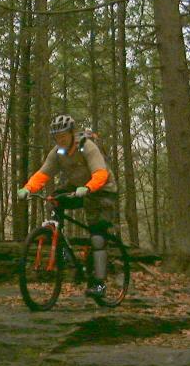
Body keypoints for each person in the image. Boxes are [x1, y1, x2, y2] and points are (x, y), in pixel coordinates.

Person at [17, 114, 118, 298]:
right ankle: (62, 247)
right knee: (55, 199)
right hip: (78, 188)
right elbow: (43, 173)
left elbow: (101, 173)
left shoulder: (87, 146)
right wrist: (27, 188)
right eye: (57, 137)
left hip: (102, 190)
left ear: (72, 133)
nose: (60, 140)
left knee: (97, 236)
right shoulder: (58, 152)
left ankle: (100, 284)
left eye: (63, 136)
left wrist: (88, 187)